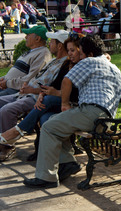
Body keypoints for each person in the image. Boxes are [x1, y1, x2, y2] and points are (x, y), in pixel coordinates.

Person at [23, 35, 121, 188]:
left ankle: (46, 177)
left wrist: (64, 104)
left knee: (49, 127)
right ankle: (68, 163)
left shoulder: (89, 61)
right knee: (54, 123)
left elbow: (66, 80)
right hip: (108, 120)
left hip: (92, 113)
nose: (79, 57)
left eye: (81, 53)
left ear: (89, 54)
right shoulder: (114, 67)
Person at [0, 34, 82, 163]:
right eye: (69, 50)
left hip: (39, 97)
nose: (49, 44)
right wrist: (29, 88)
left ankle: (8, 145)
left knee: (8, 109)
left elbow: (57, 90)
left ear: (60, 46)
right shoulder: (54, 61)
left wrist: (34, 91)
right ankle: (14, 135)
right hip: (31, 95)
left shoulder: (66, 65)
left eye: (52, 42)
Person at [0, 25, 51, 97]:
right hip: (7, 86)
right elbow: (15, 71)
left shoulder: (43, 54)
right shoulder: (32, 51)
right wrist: (3, 79)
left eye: (28, 35)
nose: (25, 37)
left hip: (15, 90)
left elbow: (30, 79)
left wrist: (7, 83)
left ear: (37, 39)